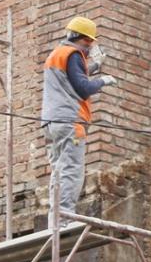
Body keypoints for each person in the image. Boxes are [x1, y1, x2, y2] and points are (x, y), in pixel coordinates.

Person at [41, 16, 116, 212]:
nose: (90, 46)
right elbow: (83, 88)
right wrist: (103, 80)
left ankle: (55, 219)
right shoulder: (73, 54)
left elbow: (71, 78)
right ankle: (64, 217)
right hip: (69, 121)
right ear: (80, 38)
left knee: (58, 171)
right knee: (72, 170)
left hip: (51, 123)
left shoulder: (58, 54)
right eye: (88, 41)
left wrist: (95, 66)